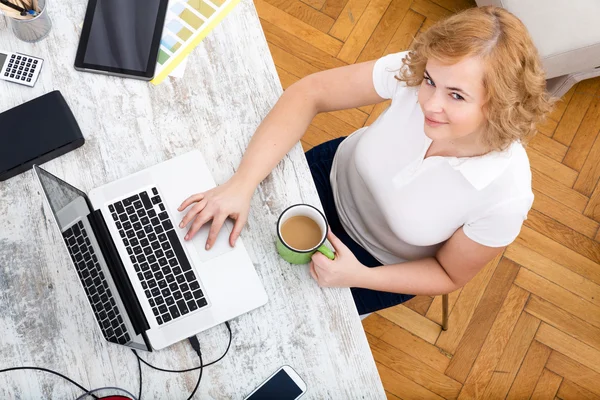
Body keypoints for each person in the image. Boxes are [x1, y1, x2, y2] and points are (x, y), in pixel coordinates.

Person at [177, 6, 554, 316]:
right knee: (204, 268)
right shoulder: (421, 71)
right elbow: (310, 93)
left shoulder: (506, 195)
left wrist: (358, 275)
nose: (430, 103)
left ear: (502, 104)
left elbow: (447, 274)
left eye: (456, 96)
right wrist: (241, 184)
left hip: (376, 265)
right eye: (429, 81)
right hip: (327, 179)